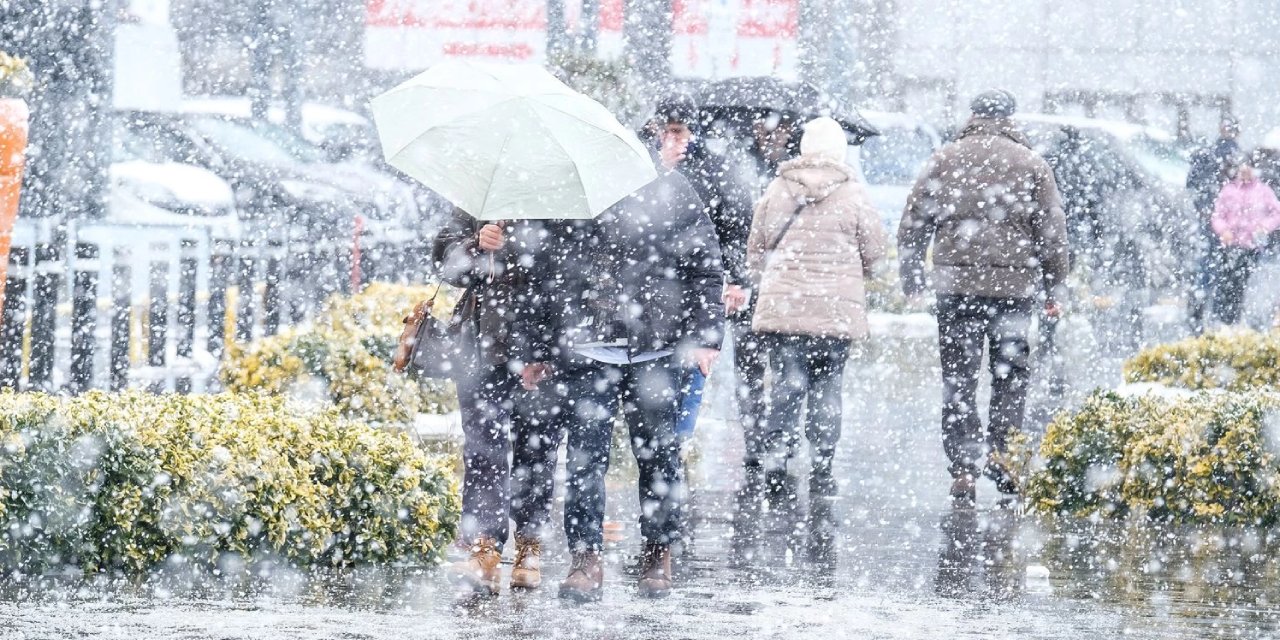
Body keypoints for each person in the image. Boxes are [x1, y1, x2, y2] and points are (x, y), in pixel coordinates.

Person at [517, 169, 724, 602]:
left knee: (659, 457)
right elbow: (546, 272)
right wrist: (539, 346)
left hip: (657, 350)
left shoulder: (670, 188)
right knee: (584, 460)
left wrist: (705, 338)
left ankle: (657, 551)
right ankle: (585, 558)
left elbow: (705, 267)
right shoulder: (572, 190)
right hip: (588, 350)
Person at [898, 90, 1068, 506]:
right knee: (1010, 378)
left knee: (959, 379)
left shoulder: (944, 159)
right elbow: (1051, 232)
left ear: (973, 115)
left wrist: (912, 280)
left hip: (956, 289)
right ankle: (1004, 460)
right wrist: (1053, 286)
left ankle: (962, 469)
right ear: (1011, 117)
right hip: (1013, 290)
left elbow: (913, 222)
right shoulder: (1032, 164)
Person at [743, 116, 886, 562]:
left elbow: (756, 246)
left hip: (786, 309)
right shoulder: (854, 192)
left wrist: (771, 274)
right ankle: (823, 463)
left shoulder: (778, 188)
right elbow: (876, 251)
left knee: (786, 384)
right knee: (828, 386)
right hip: (835, 314)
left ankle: (777, 462)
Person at [431, 213, 562, 595]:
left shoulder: (555, 203)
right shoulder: (480, 193)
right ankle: (484, 545)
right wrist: (475, 244)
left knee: (537, 448)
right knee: (482, 449)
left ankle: (529, 546)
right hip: (479, 344)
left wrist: (544, 349)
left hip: (539, 342)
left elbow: (567, 270)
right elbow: (446, 262)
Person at [1187, 117, 1243, 333]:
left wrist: (1203, 208)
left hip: (1208, 215)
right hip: (1227, 221)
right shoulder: (1234, 154)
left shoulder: (1207, 152)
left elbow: (1192, 184)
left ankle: (1198, 312)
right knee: (1225, 268)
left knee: (1206, 265)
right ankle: (1221, 316)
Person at [1210, 161, 1280, 325]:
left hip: (1254, 247)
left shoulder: (1263, 191)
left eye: (1248, 169)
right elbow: (1217, 215)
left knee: (1250, 286)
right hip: (1231, 247)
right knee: (1229, 286)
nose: (1245, 173)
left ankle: (1249, 323)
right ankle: (1228, 321)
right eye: (1241, 170)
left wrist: (1264, 227)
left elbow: (1276, 213)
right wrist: (1224, 230)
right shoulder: (1228, 191)